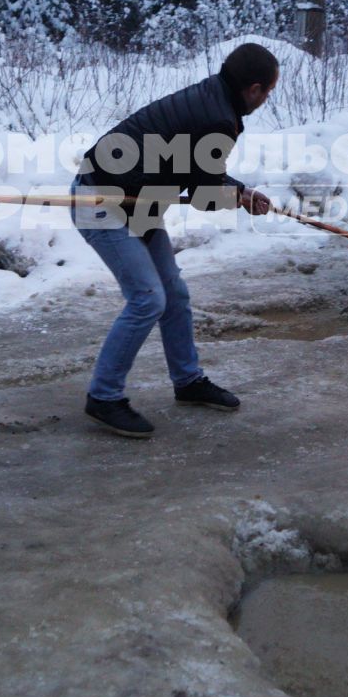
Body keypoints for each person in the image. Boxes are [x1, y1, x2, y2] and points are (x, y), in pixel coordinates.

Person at [71, 43, 278, 439]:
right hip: (100, 198)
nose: (266, 99)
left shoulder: (214, 101)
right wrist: (237, 197)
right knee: (148, 297)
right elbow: (204, 193)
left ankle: (188, 381)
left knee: (173, 294)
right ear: (252, 88)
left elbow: (204, 174)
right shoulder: (218, 118)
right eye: (267, 92)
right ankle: (104, 396)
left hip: (137, 200)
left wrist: (240, 192)